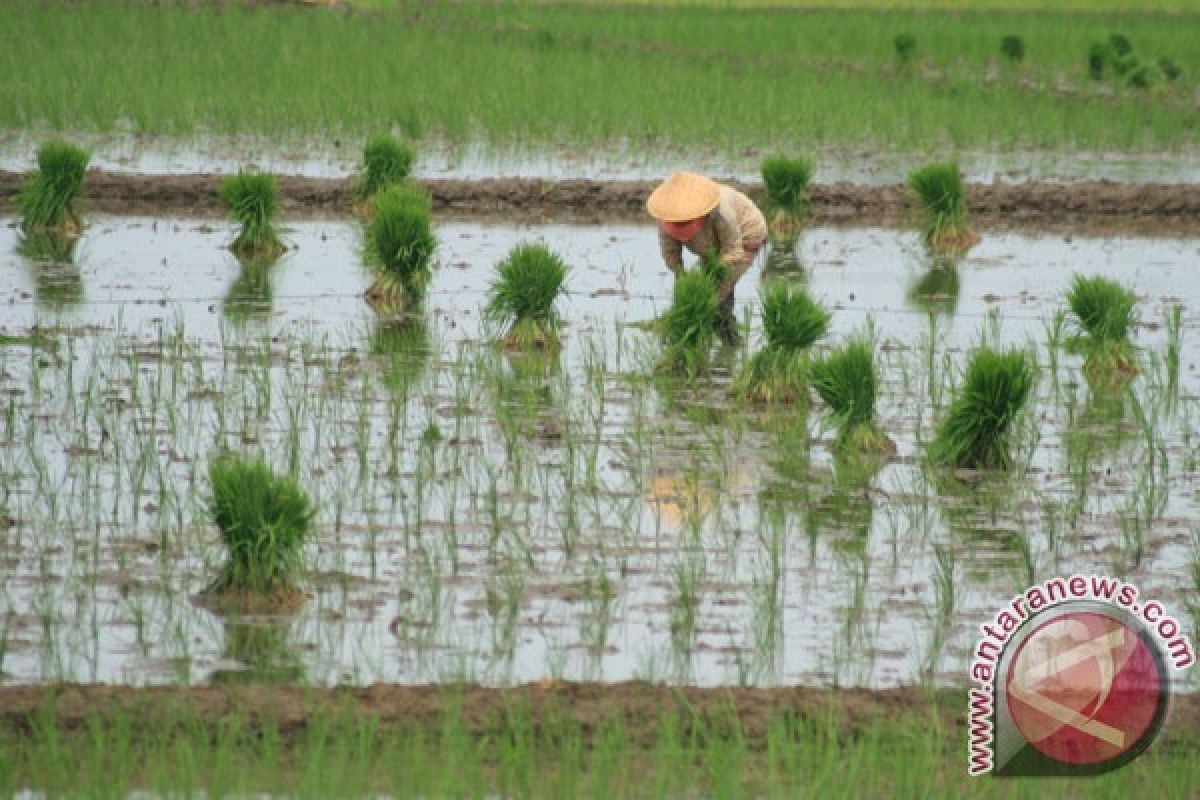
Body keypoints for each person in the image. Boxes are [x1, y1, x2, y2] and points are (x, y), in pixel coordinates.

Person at [646, 171, 768, 345]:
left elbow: (734, 250)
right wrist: (681, 276)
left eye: (685, 224)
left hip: (744, 236)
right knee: (696, 296)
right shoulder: (666, 216)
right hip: (710, 244)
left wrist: (714, 272)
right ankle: (699, 341)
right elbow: (670, 253)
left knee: (716, 298)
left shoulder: (721, 213)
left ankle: (731, 344)